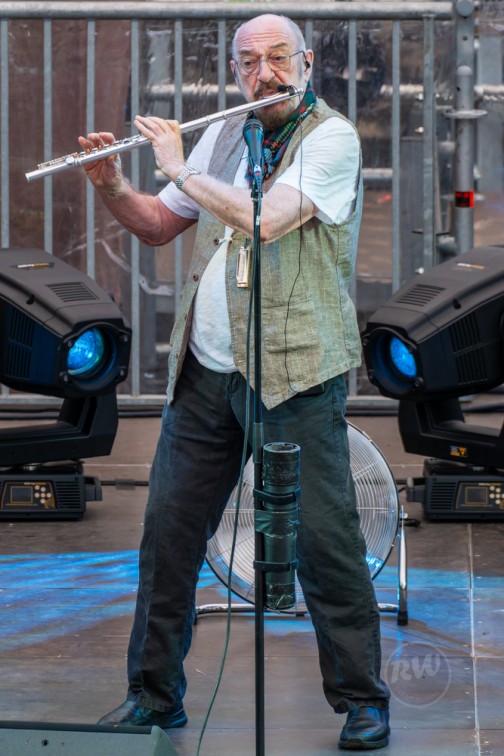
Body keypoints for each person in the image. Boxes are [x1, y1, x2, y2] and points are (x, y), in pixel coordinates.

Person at [79, 13, 391, 751]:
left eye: (277, 58)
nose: (263, 75)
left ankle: (362, 701)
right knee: (168, 538)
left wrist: (178, 166)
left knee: (325, 544)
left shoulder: (333, 138)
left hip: (293, 373)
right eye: (249, 63)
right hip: (205, 372)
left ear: (306, 61)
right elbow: (159, 224)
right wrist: (112, 183)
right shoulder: (225, 134)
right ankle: (154, 698)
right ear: (235, 71)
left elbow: (270, 220)